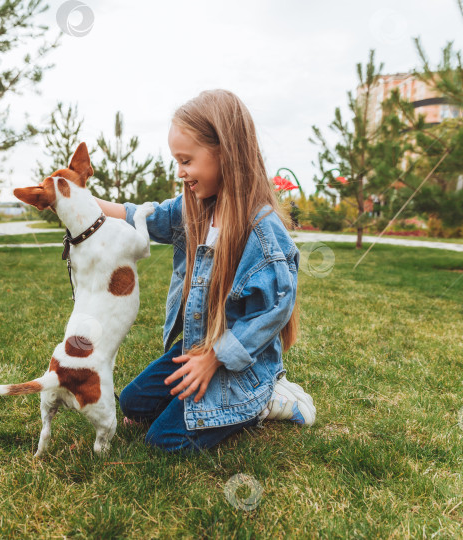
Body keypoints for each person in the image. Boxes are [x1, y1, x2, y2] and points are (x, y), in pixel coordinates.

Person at [94, 89, 316, 453]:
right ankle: (221, 399)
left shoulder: (262, 230)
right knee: (133, 402)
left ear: (225, 153)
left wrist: (213, 359)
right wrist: (84, 203)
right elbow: (147, 217)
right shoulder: (195, 206)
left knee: (164, 440)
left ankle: (263, 402)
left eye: (186, 161)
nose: (180, 172)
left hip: (236, 362)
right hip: (196, 346)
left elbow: (273, 310)